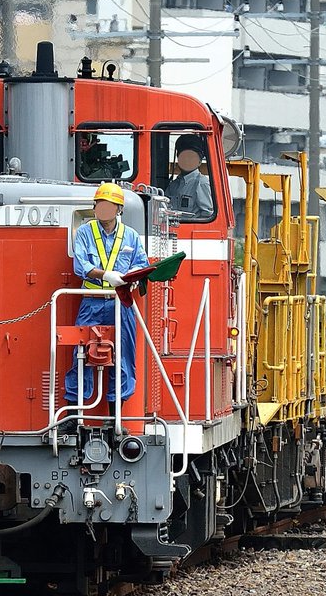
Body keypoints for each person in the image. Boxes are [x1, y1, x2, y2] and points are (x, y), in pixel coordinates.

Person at [64, 182, 149, 409]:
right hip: (91, 304)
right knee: (80, 353)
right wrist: (106, 275)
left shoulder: (130, 236)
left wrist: (130, 276)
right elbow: (81, 265)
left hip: (121, 303)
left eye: (109, 205)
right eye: (100, 205)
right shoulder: (84, 232)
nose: (104, 210)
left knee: (123, 355)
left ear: (119, 209)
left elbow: (142, 264)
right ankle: (75, 412)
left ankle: (116, 414)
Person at [165, 134, 214, 219]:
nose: (187, 160)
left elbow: (207, 215)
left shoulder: (201, 183)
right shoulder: (173, 185)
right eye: (183, 157)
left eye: (191, 157)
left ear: (199, 161)